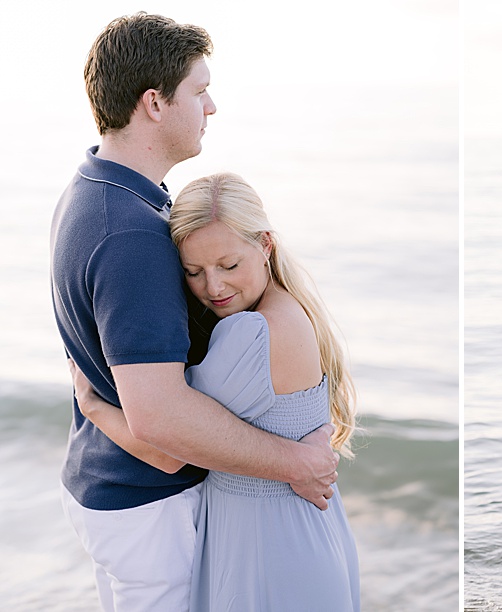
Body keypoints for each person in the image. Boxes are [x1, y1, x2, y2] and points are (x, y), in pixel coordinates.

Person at [49, 13, 338, 611]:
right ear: (155, 103)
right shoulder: (131, 235)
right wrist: (297, 462)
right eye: (199, 90)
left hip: (107, 490)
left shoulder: (90, 190)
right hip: (149, 510)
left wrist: (95, 405)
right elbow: (161, 423)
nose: (211, 106)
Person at [71, 173, 361, 610]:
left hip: (271, 548)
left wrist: (91, 404)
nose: (214, 287)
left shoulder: (252, 333)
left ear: (265, 244)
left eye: (229, 266)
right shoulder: (291, 306)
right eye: (193, 272)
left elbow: (167, 447)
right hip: (304, 532)